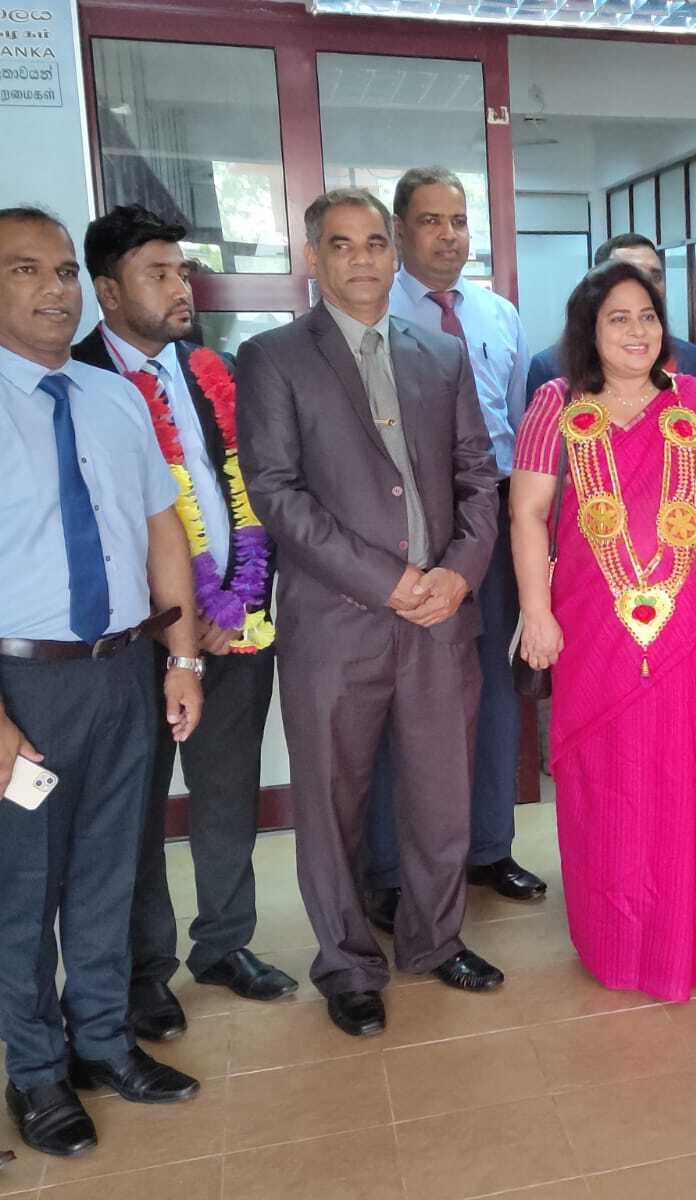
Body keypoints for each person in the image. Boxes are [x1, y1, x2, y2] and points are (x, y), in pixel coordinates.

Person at [236, 188, 505, 1039]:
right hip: (336, 622)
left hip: (440, 618)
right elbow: (277, 493)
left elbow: (477, 475)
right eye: (342, 244)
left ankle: (434, 939)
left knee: (441, 795)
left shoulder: (440, 355)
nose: (362, 258)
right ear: (313, 257)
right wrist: (387, 580)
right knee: (332, 803)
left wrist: (460, 574)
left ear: (394, 254)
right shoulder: (272, 357)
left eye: (375, 243)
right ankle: (348, 966)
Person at [508, 260, 696, 1002]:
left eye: (648, 316)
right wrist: (536, 612)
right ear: (589, 331)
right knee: (605, 782)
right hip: (593, 630)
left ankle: (682, 932)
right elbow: (527, 512)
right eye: (618, 318)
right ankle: (614, 937)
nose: (637, 331)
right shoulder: (555, 404)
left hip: (691, 630)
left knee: (682, 777)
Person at [0, 207, 203, 1158]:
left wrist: (184, 658)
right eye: (24, 270)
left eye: (63, 271)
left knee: (107, 873)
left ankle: (104, 1044)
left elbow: (163, 532)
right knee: (21, 890)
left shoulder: (114, 398)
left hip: (124, 672)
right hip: (24, 687)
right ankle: (36, 1073)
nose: (54, 289)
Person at [73, 206, 295, 1045]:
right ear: (107, 291)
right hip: (136, 641)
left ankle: (224, 945)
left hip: (233, 627)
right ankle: (144, 973)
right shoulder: (78, 379)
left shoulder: (212, 370)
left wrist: (238, 599)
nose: (179, 288)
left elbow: (251, 491)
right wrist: (176, 619)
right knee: (133, 812)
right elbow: (94, 523)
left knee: (228, 794)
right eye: (157, 274)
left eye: (182, 271)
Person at [361, 168, 542, 937]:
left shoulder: (499, 314)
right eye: (431, 220)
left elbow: (523, 428)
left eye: (459, 220)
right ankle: (390, 869)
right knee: (405, 695)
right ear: (401, 231)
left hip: (494, 516)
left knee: (496, 687)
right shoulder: (374, 313)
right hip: (412, 526)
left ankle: (489, 848)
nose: (448, 235)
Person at [525, 233, 696, 398]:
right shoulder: (549, 368)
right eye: (630, 276)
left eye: (656, 277)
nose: (645, 287)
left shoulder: (694, 359)